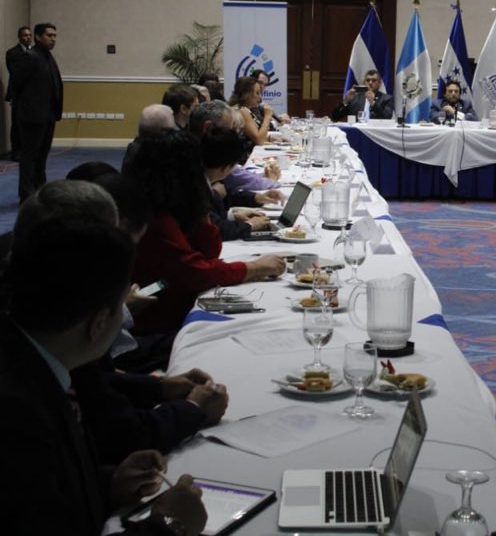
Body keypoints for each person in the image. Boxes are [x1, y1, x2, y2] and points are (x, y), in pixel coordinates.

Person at [0, 217, 208, 536]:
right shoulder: (18, 418)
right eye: (121, 304)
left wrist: (108, 483)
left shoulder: (34, 358)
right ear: (99, 324)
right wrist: (169, 525)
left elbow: (42, 494)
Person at [122, 131, 285, 353]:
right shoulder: (154, 218)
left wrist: (198, 204)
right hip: (151, 324)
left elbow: (208, 254)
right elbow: (197, 272)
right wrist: (254, 268)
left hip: (165, 296)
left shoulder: (170, 206)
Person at [10, 22, 63, 203]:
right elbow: (16, 84)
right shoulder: (30, 57)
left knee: (42, 156)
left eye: (55, 36)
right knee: (29, 157)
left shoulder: (48, 57)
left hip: (47, 115)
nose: (53, 39)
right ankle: (27, 195)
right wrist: (25, 108)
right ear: (38, 37)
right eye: (49, 35)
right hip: (32, 116)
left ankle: (41, 190)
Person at [202, 127, 272, 240]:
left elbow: (212, 216)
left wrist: (232, 216)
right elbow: (214, 229)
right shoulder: (196, 186)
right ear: (227, 167)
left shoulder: (203, 178)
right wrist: (250, 225)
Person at [4, 25, 32, 160]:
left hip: (32, 95)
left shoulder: (35, 52)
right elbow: (15, 73)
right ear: (19, 37)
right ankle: (16, 152)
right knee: (17, 124)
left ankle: (28, 151)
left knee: (30, 124)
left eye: (30, 35)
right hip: (18, 94)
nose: (28, 38)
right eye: (25, 35)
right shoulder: (12, 53)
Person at [230, 76, 274, 145]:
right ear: (246, 94)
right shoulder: (242, 111)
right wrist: (267, 117)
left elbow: (254, 136)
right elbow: (258, 140)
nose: (260, 97)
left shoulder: (247, 110)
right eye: (257, 93)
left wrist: (270, 138)